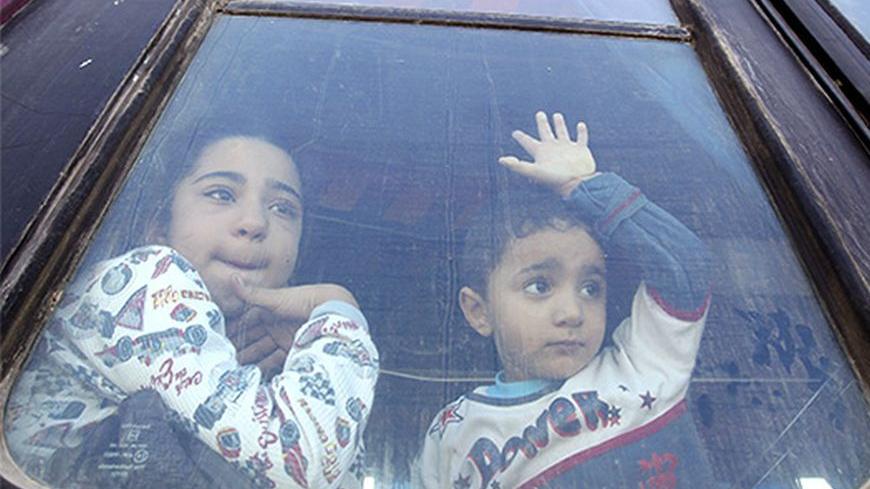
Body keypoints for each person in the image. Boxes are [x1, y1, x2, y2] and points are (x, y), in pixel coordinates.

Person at [5, 135, 378, 488]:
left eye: (283, 208)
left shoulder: (263, 357)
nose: (255, 223)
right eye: (221, 194)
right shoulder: (147, 276)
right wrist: (337, 315)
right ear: (159, 228)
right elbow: (300, 466)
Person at [415, 112, 713, 488]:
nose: (572, 313)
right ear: (479, 311)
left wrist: (584, 185)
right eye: (539, 286)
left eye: (591, 288)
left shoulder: (640, 365)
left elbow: (686, 267)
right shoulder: (454, 431)